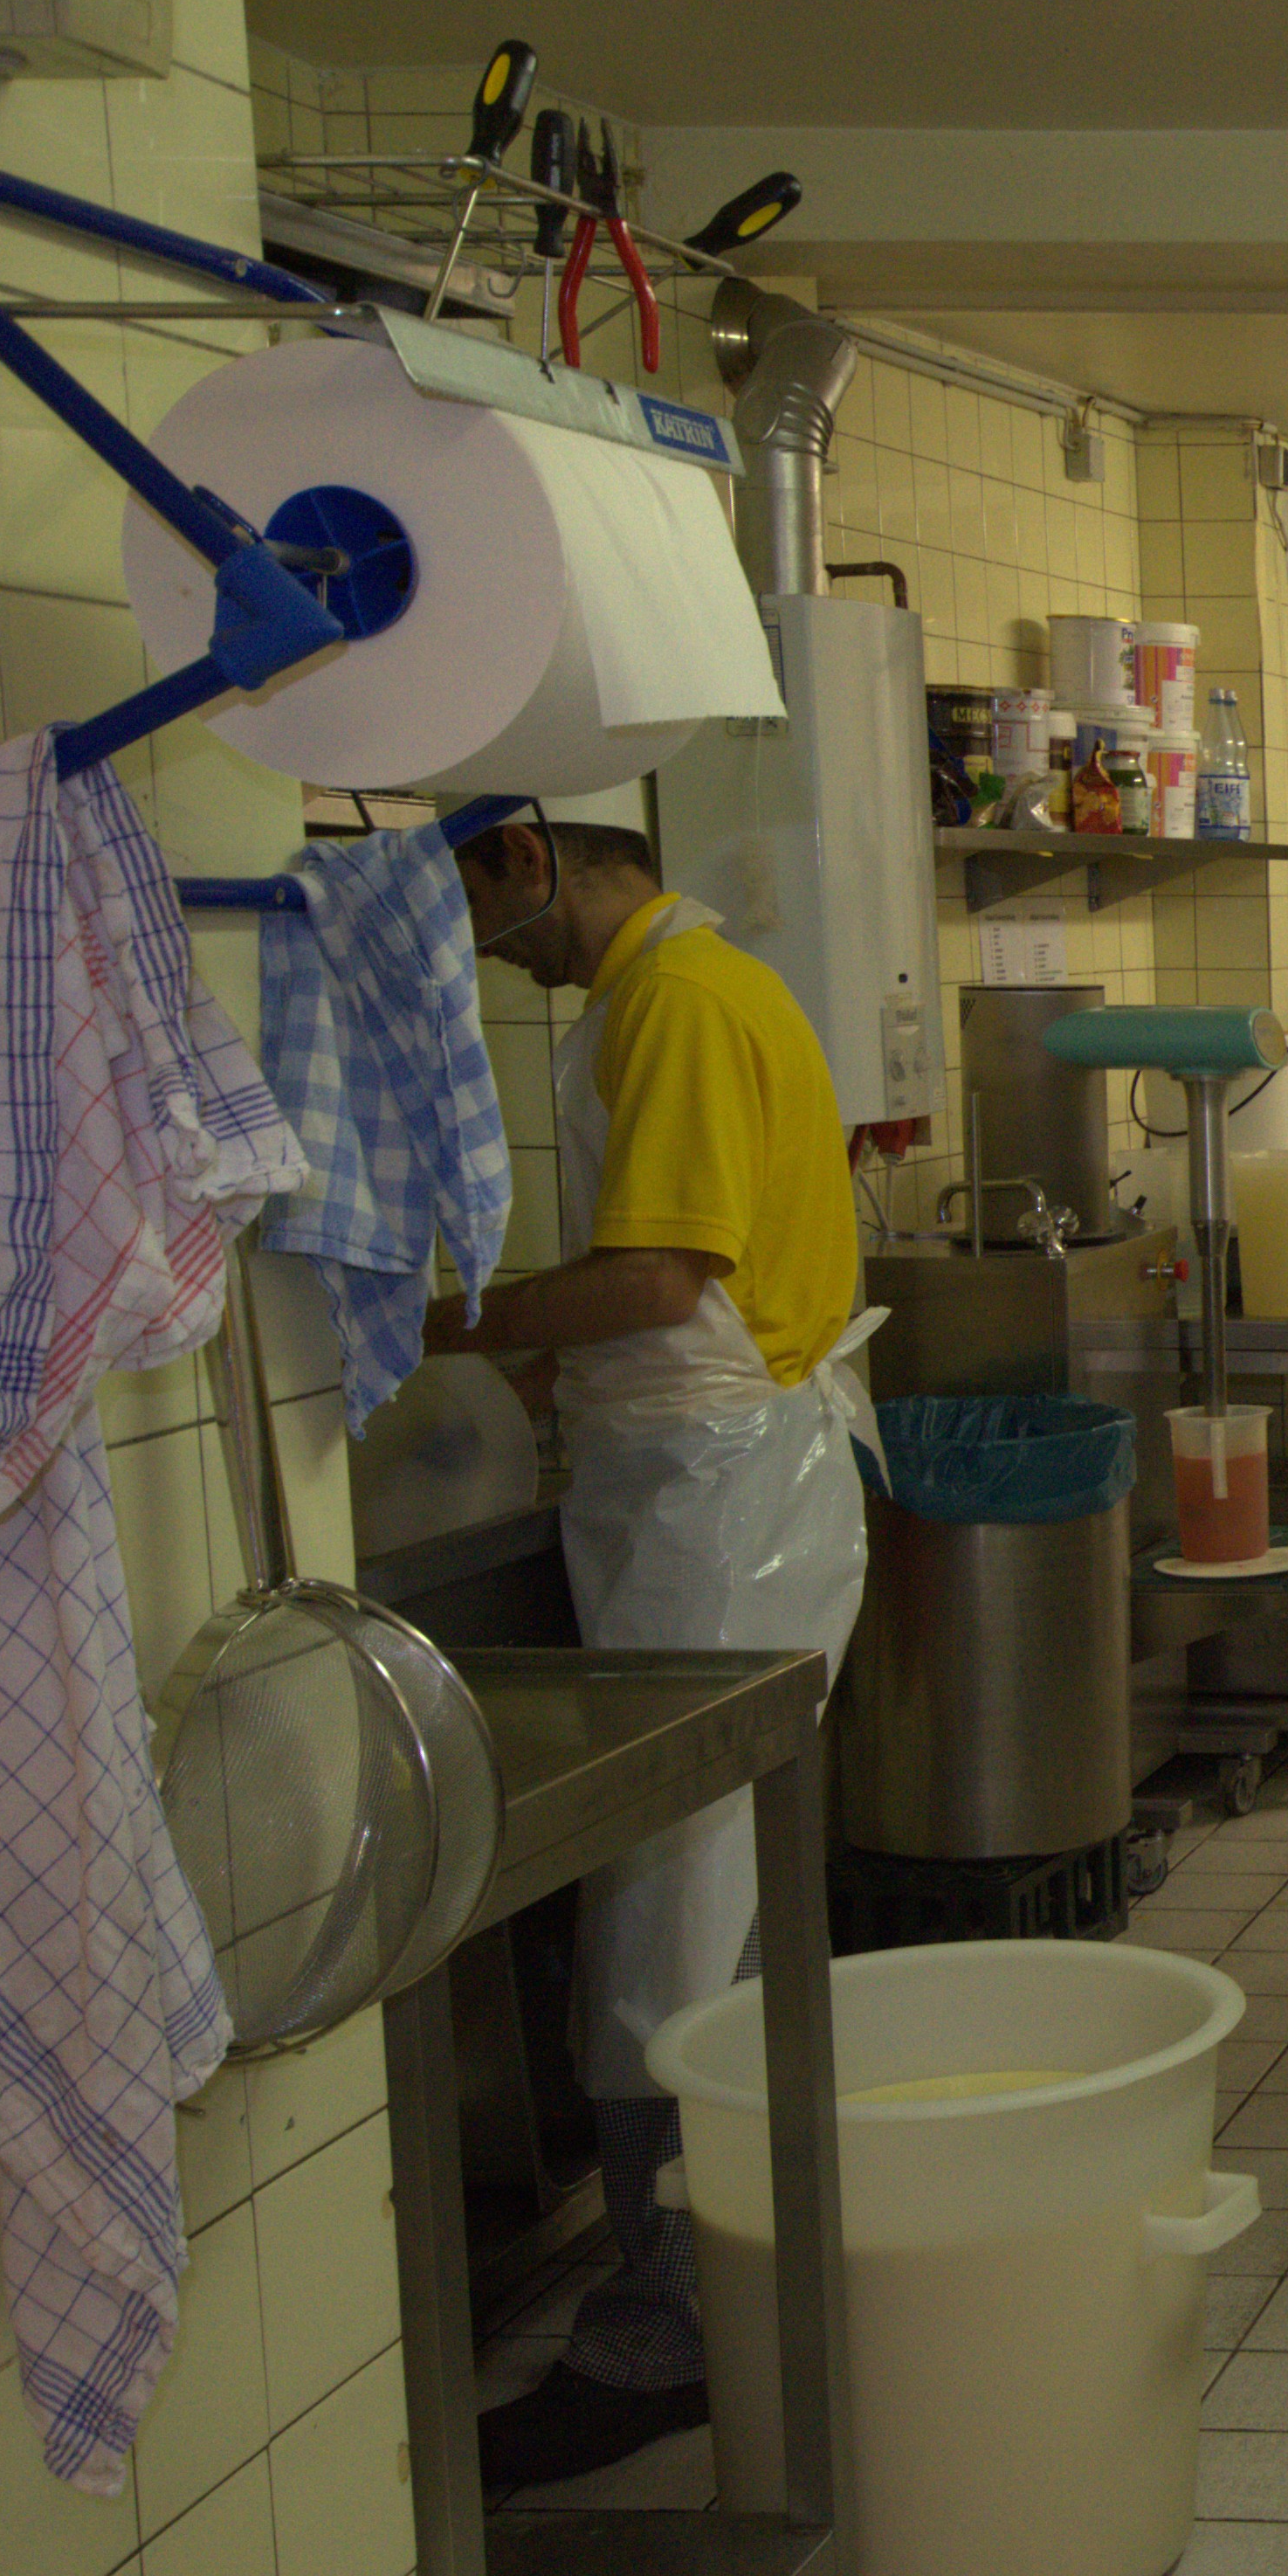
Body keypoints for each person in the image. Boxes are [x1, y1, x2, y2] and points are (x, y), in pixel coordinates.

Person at [424, 806, 879, 2485]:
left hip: (720, 1502)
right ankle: (718, 2269)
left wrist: (454, 1322)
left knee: (672, 1921)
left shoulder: (679, 999)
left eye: (482, 905)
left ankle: (673, 2325)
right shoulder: (672, 992)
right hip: (715, 1487)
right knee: (703, 1912)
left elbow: (662, 1277)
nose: (488, 949)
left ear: (530, 853)